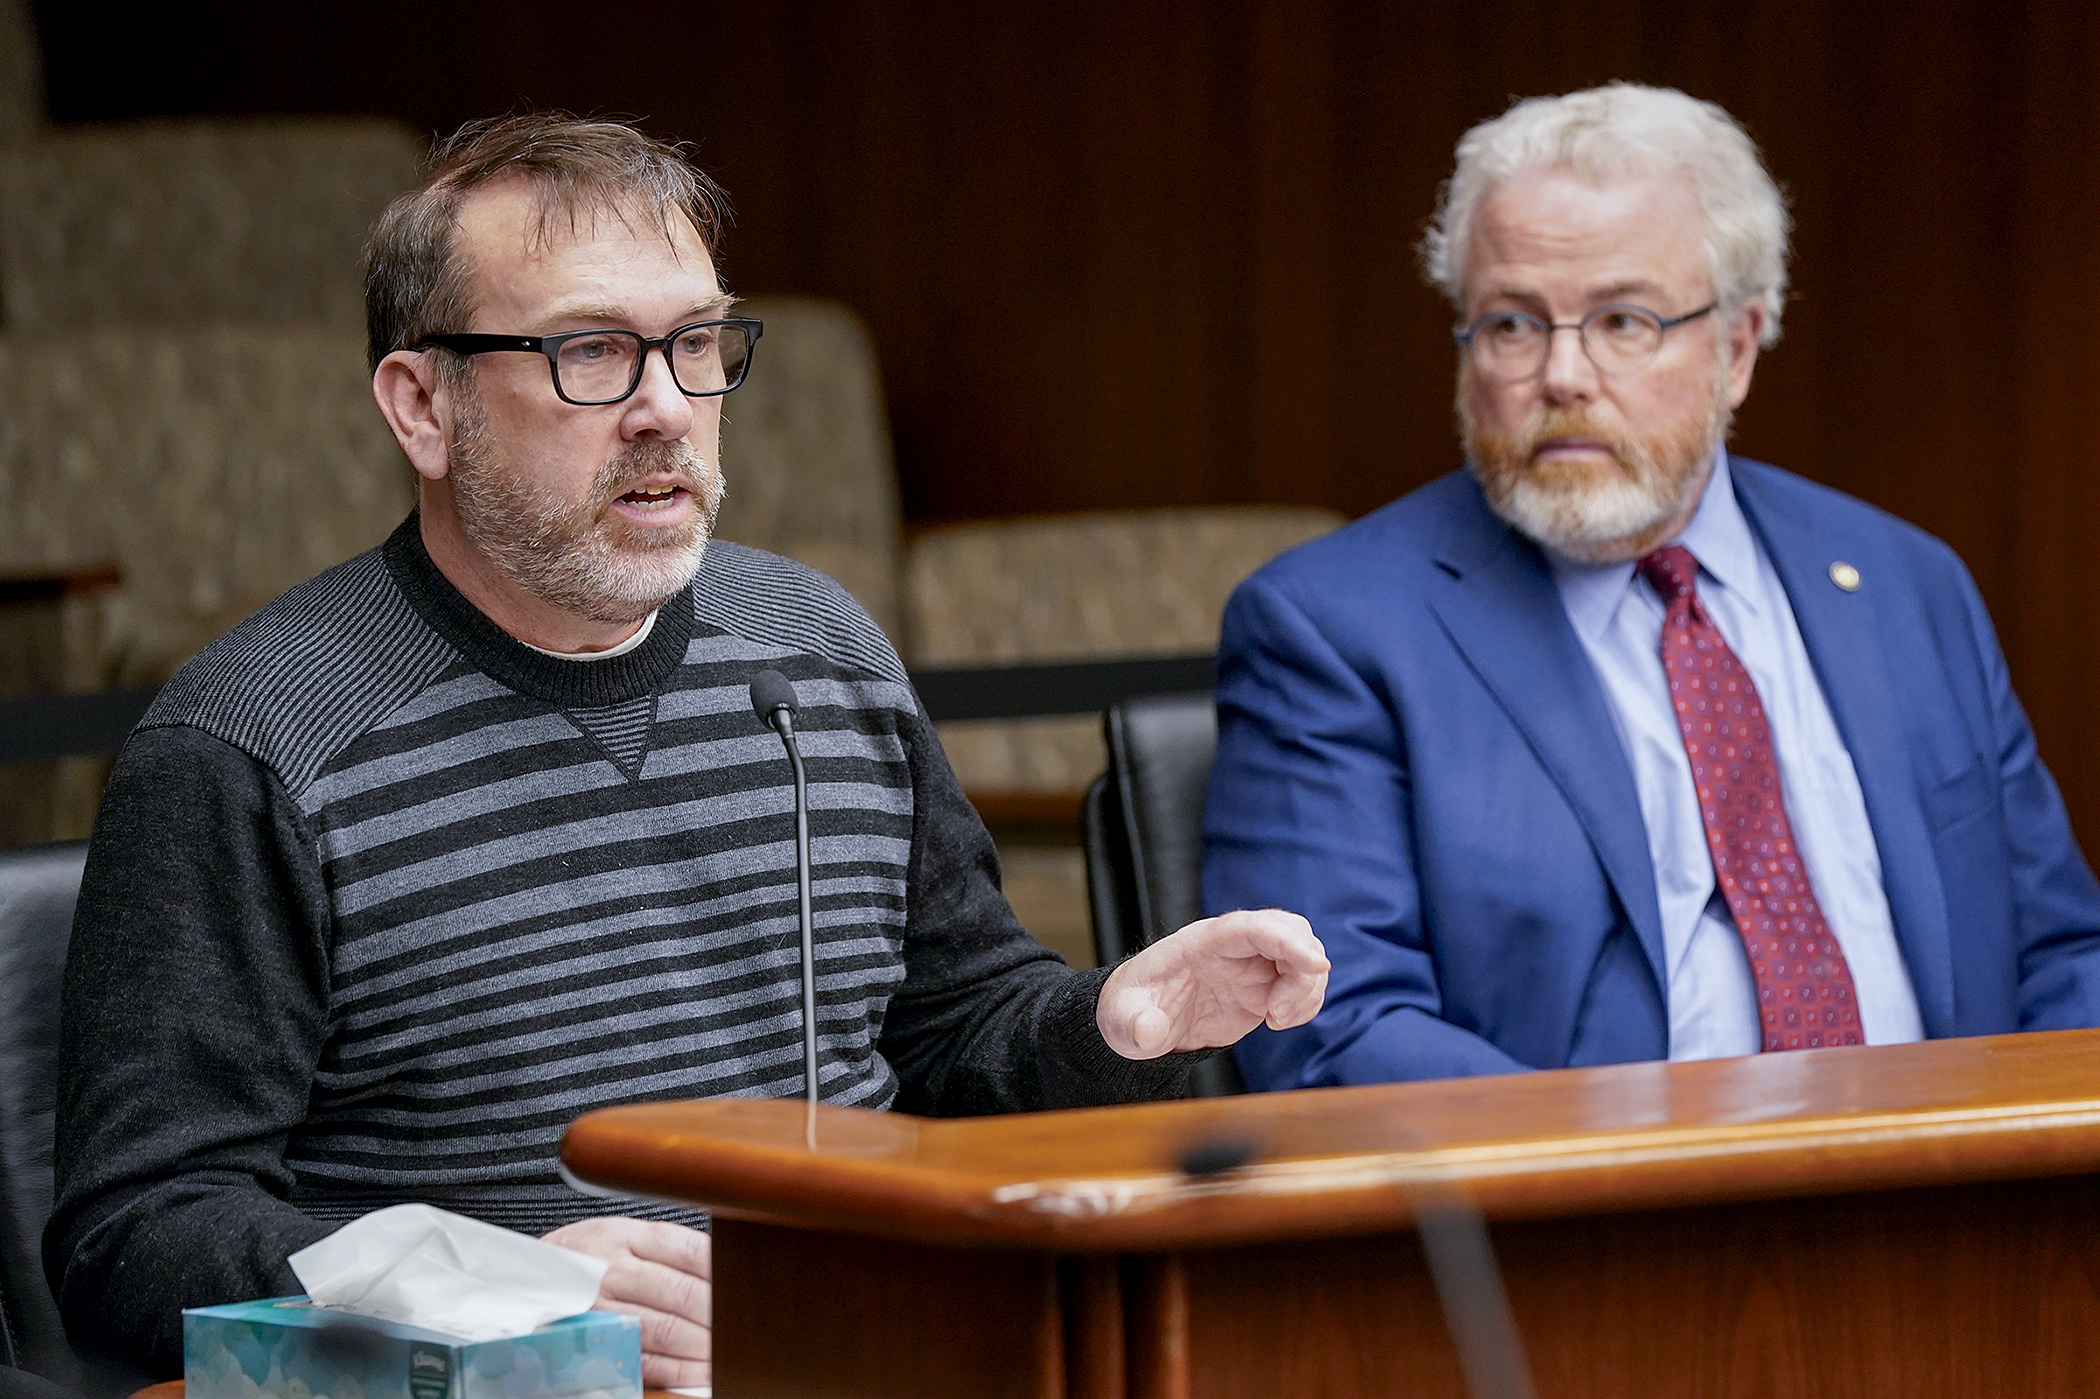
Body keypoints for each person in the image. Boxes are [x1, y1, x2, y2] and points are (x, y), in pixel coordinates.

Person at [46, 115, 1328, 1384]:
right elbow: (135, 1234)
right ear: (422, 406)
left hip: (861, 1350)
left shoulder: (819, 652)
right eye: (591, 351)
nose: (665, 408)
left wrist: (1107, 1025)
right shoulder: (255, 743)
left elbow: (958, 1034)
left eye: (697, 344)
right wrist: (508, 1295)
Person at [1204, 82, 2100, 1091]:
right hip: (1591, 1230)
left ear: (1738, 347)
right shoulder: (1334, 629)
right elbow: (1333, 1027)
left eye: (1623, 320)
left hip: (1962, 1199)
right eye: (1511, 324)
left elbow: (2061, 958)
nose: (1563, 374)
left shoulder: (1906, 584)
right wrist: (1632, 1172)